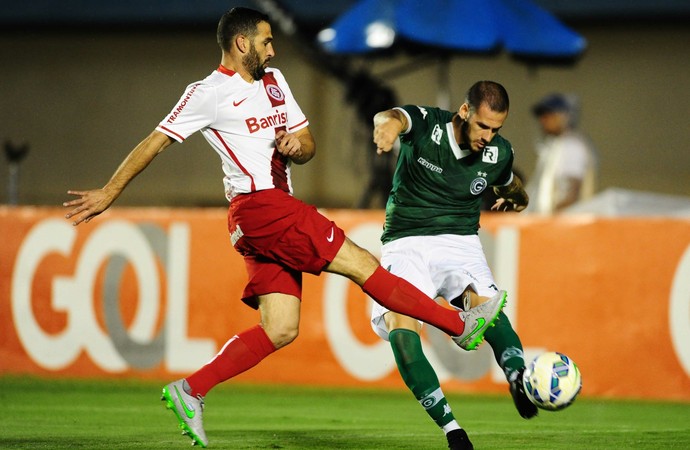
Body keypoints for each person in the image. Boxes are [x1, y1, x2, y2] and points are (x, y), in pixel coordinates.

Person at [62, 8, 507, 448]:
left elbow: (307, 144)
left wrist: (298, 146)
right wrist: (108, 192)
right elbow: (155, 141)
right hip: (260, 207)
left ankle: (191, 390)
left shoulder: (275, 84)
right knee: (363, 264)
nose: (273, 49)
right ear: (241, 44)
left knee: (280, 327)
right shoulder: (208, 92)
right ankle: (458, 324)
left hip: (269, 213)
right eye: (266, 41)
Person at [371, 81, 536, 450]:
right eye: (483, 126)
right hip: (405, 241)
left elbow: (511, 185)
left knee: (486, 308)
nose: (488, 137)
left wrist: (518, 199)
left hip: (459, 241)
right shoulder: (429, 125)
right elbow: (396, 117)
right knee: (401, 322)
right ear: (465, 112)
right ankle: (452, 429)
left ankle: (517, 376)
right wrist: (387, 126)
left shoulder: (499, 153)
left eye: (496, 129)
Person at [526, 93, 597, 214]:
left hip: (564, 226)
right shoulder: (556, 146)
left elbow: (572, 193)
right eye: (541, 116)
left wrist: (550, 223)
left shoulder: (572, 146)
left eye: (548, 115)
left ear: (564, 117)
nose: (542, 120)